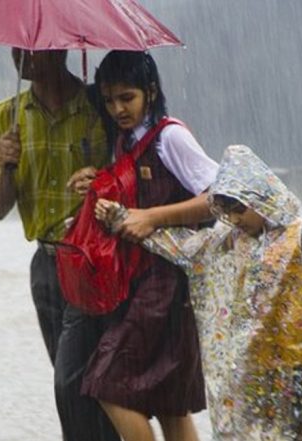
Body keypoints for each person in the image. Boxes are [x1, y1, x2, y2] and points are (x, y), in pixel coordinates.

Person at [96, 144, 302, 440]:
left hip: (299, 368)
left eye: (239, 208)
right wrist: (120, 218)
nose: (235, 218)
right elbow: (178, 245)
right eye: (226, 210)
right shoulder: (225, 242)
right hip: (247, 371)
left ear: (260, 196)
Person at [74, 50, 217, 441]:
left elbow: (220, 198)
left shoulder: (171, 137)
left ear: (150, 92)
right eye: (108, 100)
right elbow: (129, 197)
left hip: (167, 285)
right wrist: (99, 180)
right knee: (171, 404)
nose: (118, 108)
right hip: (137, 281)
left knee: (105, 383)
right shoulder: (124, 140)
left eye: (127, 98)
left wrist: (152, 218)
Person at [0, 48, 118, 441]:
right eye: (14, 47)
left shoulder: (100, 106)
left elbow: (132, 175)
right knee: (74, 379)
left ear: (59, 49)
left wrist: (102, 182)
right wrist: (6, 166)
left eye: (30, 48)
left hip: (95, 260)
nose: (18, 56)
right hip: (46, 265)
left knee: (75, 382)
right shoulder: (6, 117)